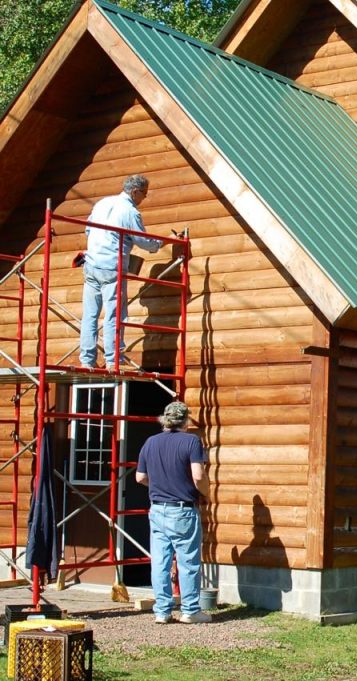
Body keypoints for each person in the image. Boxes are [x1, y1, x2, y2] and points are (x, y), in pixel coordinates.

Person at [136, 401, 211, 624]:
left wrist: (159, 484)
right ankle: (190, 610)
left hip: (157, 509)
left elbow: (140, 477)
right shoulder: (191, 441)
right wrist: (207, 493)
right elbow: (198, 476)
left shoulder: (151, 442)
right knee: (187, 561)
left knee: (160, 562)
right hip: (183, 510)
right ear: (185, 420)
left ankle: (162, 611)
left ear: (165, 419)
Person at [79, 174, 162, 368]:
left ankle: (87, 360)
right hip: (111, 267)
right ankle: (112, 360)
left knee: (90, 315)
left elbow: (89, 230)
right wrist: (159, 243)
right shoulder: (130, 212)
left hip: (91, 264)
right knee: (114, 315)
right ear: (135, 192)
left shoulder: (102, 203)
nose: (144, 198)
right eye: (144, 194)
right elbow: (143, 241)